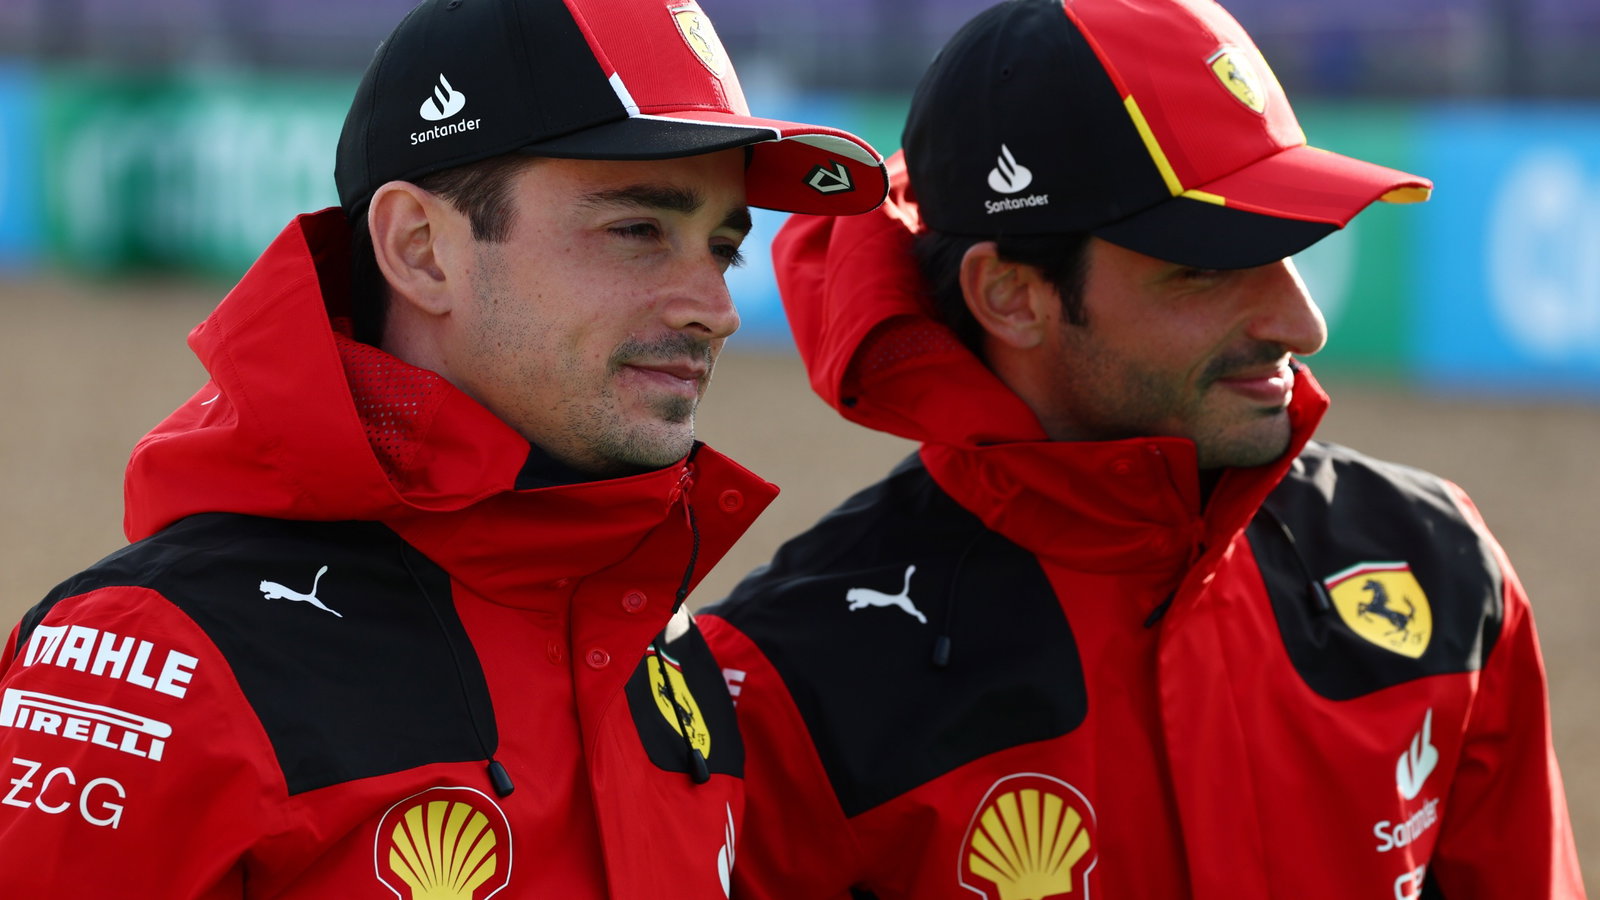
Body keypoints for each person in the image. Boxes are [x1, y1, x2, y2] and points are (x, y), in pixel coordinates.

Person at [699, 0, 1585, 897]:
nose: (1303, 324)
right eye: (1208, 268)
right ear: (1011, 295)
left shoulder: (1440, 560)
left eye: (1292, 248)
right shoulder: (783, 688)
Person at [0, 0, 888, 895]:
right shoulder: (152, 661)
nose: (716, 309)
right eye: (637, 231)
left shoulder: (657, 639)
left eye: (724, 249)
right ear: (422, 250)